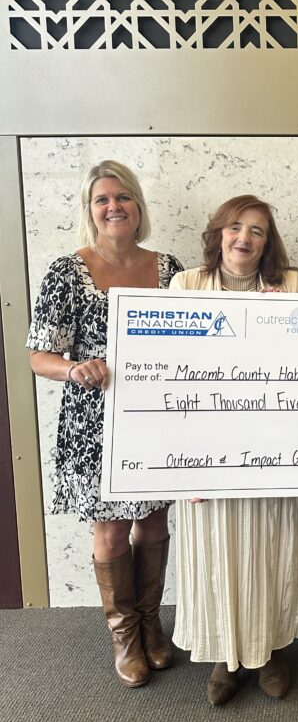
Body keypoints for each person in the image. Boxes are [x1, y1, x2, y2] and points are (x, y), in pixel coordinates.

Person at [27, 160, 183, 687]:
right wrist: (74, 368)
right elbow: (37, 356)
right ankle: (125, 638)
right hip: (94, 423)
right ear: (90, 211)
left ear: (138, 206)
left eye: (123, 197)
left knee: (155, 522)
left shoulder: (170, 269)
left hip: (156, 418)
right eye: (102, 200)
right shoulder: (66, 271)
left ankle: (150, 624)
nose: (113, 206)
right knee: (112, 528)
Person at [171, 195, 298, 705]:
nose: (244, 238)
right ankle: (224, 655)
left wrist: (285, 322)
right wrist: (181, 465)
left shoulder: (292, 284)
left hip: (271, 445)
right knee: (215, 549)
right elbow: (170, 365)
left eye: (256, 230)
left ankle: (272, 649)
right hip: (206, 448)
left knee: (269, 545)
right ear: (218, 234)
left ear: (267, 242)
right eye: (235, 227)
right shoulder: (185, 285)